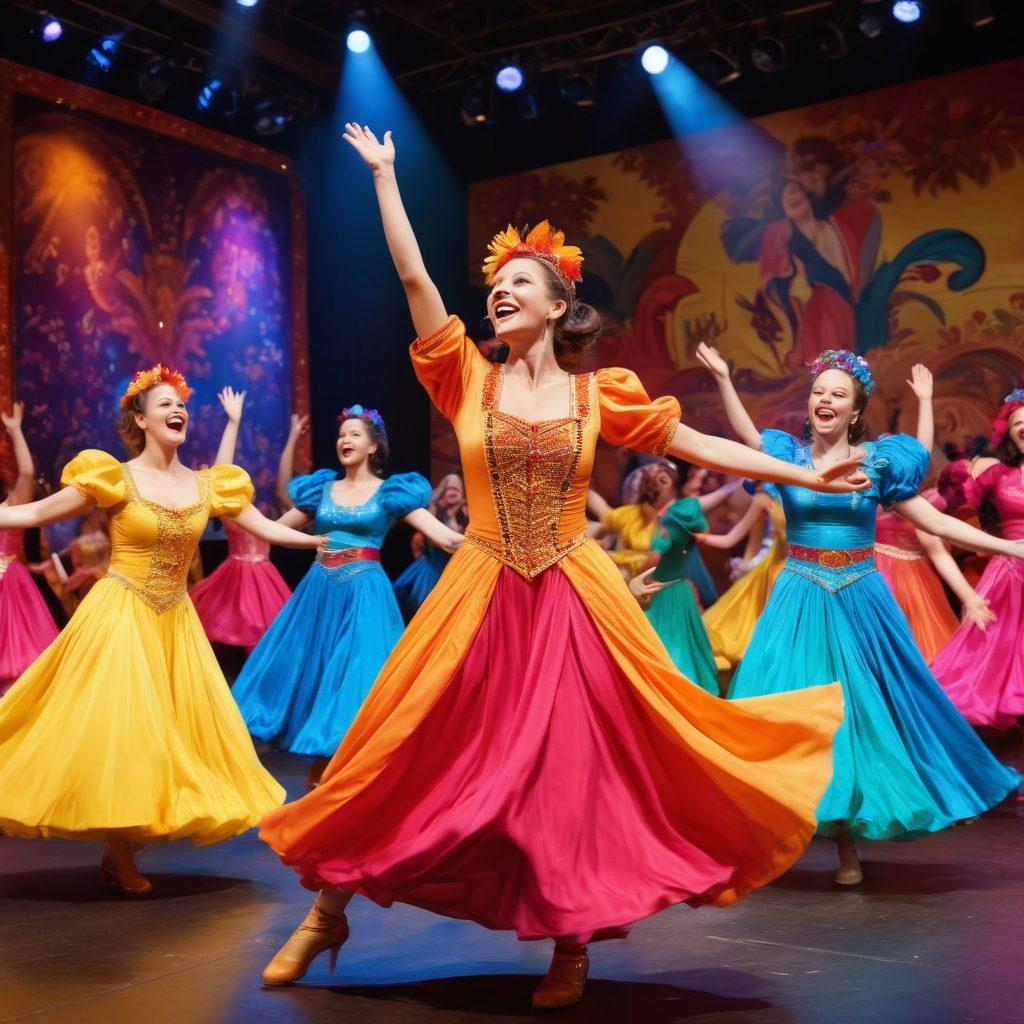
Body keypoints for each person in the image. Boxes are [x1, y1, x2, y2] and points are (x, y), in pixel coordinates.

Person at [254, 123, 882, 1011]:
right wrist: (389, 179)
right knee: (406, 749)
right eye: (495, 286)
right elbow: (414, 280)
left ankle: (572, 943)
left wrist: (804, 470)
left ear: (558, 304)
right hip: (476, 590)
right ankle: (328, 909)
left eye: (517, 285)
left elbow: (697, 437)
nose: (497, 295)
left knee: (572, 771)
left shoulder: (601, 393)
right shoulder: (465, 377)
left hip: (572, 595)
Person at [697, 342, 1021, 886]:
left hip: (859, 595)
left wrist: (1013, 549)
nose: (825, 400)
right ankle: (755, 837)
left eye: (837, 394)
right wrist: (727, 378)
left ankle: (846, 840)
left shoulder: (878, 462)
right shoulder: (787, 456)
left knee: (854, 720)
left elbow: (934, 523)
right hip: (799, 594)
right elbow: (749, 440)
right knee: (781, 712)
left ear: (855, 408)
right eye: (819, 392)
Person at [0, 365, 325, 896]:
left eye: (182, 404)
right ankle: (124, 855)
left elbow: (263, 528)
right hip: (120, 614)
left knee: (169, 739)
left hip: (176, 621)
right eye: (166, 404)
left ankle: (121, 844)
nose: (178, 410)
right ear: (140, 418)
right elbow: (34, 513)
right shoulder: (114, 477)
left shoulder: (206, 484)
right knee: (124, 732)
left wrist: (318, 543)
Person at [230, 404, 461, 789]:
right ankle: (320, 787)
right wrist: (226, 494)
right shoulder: (319, 490)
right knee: (315, 683)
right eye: (341, 436)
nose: (345, 440)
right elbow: (268, 530)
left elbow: (448, 538)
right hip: (319, 593)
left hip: (365, 596)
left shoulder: (393, 493)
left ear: (374, 446)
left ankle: (336, 788)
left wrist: (491, 545)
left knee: (355, 686)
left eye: (354, 435)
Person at [874, 367, 994, 663]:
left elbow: (939, 553)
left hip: (912, 584)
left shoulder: (916, 504)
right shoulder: (869, 497)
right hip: (872, 577)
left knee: (917, 656)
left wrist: (969, 597)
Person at [931, 389, 1024, 726]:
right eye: (1017, 423)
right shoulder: (999, 474)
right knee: (993, 660)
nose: (1023, 426)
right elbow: (945, 503)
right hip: (1008, 574)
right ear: (1010, 433)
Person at [189, 388, 292, 651]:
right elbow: (220, 472)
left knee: (270, 642)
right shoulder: (232, 510)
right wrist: (233, 423)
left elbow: (278, 530)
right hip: (236, 578)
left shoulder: (260, 516)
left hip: (266, 580)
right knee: (240, 635)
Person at [697, 481, 788, 671]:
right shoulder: (763, 498)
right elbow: (742, 541)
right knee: (768, 630)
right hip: (774, 571)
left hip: (806, 567)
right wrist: (699, 537)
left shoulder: (807, 493)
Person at [0, 403, 59, 694]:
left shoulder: (12, 505)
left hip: (11, 585)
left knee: (19, 668)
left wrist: (14, 428)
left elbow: (26, 472)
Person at [392, 472, 468, 621]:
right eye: (450, 488)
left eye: (456, 489)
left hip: (454, 569)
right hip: (432, 568)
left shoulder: (464, 513)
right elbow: (418, 540)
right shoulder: (434, 512)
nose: (452, 493)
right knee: (422, 605)